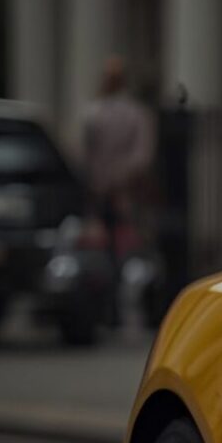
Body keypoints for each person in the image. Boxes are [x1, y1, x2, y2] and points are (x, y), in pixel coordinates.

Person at [79, 55, 155, 280]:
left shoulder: (95, 113)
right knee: (117, 243)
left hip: (116, 189)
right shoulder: (134, 113)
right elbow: (142, 155)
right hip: (118, 187)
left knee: (123, 242)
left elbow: (86, 154)